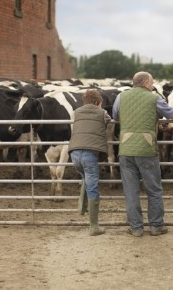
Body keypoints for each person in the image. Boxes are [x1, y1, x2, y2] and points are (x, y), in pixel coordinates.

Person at [112, 71, 173, 237]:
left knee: (131, 191)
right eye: (152, 82)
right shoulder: (155, 98)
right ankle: (156, 226)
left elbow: (116, 117)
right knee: (154, 190)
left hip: (126, 149)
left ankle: (136, 228)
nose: (153, 85)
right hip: (146, 148)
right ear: (146, 83)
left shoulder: (121, 97)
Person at [69, 89, 111, 236]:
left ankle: (82, 207)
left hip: (74, 153)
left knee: (86, 178)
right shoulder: (102, 113)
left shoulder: (76, 112)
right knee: (92, 187)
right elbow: (108, 121)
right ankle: (94, 226)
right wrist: (100, 110)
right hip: (89, 153)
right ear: (98, 103)